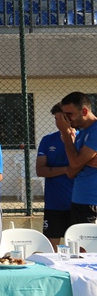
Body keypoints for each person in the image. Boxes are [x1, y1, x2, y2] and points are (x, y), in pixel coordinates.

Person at [36, 103, 75, 248]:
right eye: (56, 119)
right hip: (54, 205)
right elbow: (40, 170)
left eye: (60, 119)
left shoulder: (82, 139)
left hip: (77, 204)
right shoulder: (48, 140)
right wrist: (65, 169)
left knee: (79, 250)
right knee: (51, 250)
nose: (57, 123)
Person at [56, 91, 97, 225]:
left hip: (92, 201)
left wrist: (65, 133)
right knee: (78, 238)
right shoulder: (81, 134)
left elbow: (74, 163)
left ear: (84, 111)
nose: (67, 119)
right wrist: (81, 161)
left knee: (88, 239)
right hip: (80, 200)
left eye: (69, 114)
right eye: (64, 115)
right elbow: (71, 172)